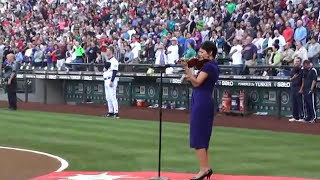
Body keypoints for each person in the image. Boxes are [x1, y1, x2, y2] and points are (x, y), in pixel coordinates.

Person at [181, 41, 219, 180]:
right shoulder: (211, 66)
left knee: (198, 136)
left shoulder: (209, 66)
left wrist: (187, 69)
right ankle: (205, 167)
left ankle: (203, 169)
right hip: (203, 99)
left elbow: (197, 82)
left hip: (202, 102)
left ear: (210, 53)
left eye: (202, 52)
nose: (200, 55)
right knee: (202, 135)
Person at [103, 46, 119, 118]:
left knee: (112, 96)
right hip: (106, 80)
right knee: (108, 97)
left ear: (111, 52)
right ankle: (110, 112)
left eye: (108, 50)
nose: (106, 52)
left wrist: (112, 81)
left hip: (110, 80)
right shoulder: (108, 60)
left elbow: (115, 72)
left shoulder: (114, 61)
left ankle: (116, 113)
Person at [289, 57, 304, 122]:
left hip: (299, 87)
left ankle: (301, 117)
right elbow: (289, 79)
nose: (296, 62)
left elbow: (304, 80)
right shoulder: (293, 70)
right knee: (294, 102)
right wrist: (293, 78)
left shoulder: (302, 70)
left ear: (300, 62)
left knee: (300, 103)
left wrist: (301, 89)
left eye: (298, 61)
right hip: (293, 87)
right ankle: (295, 116)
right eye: (295, 61)